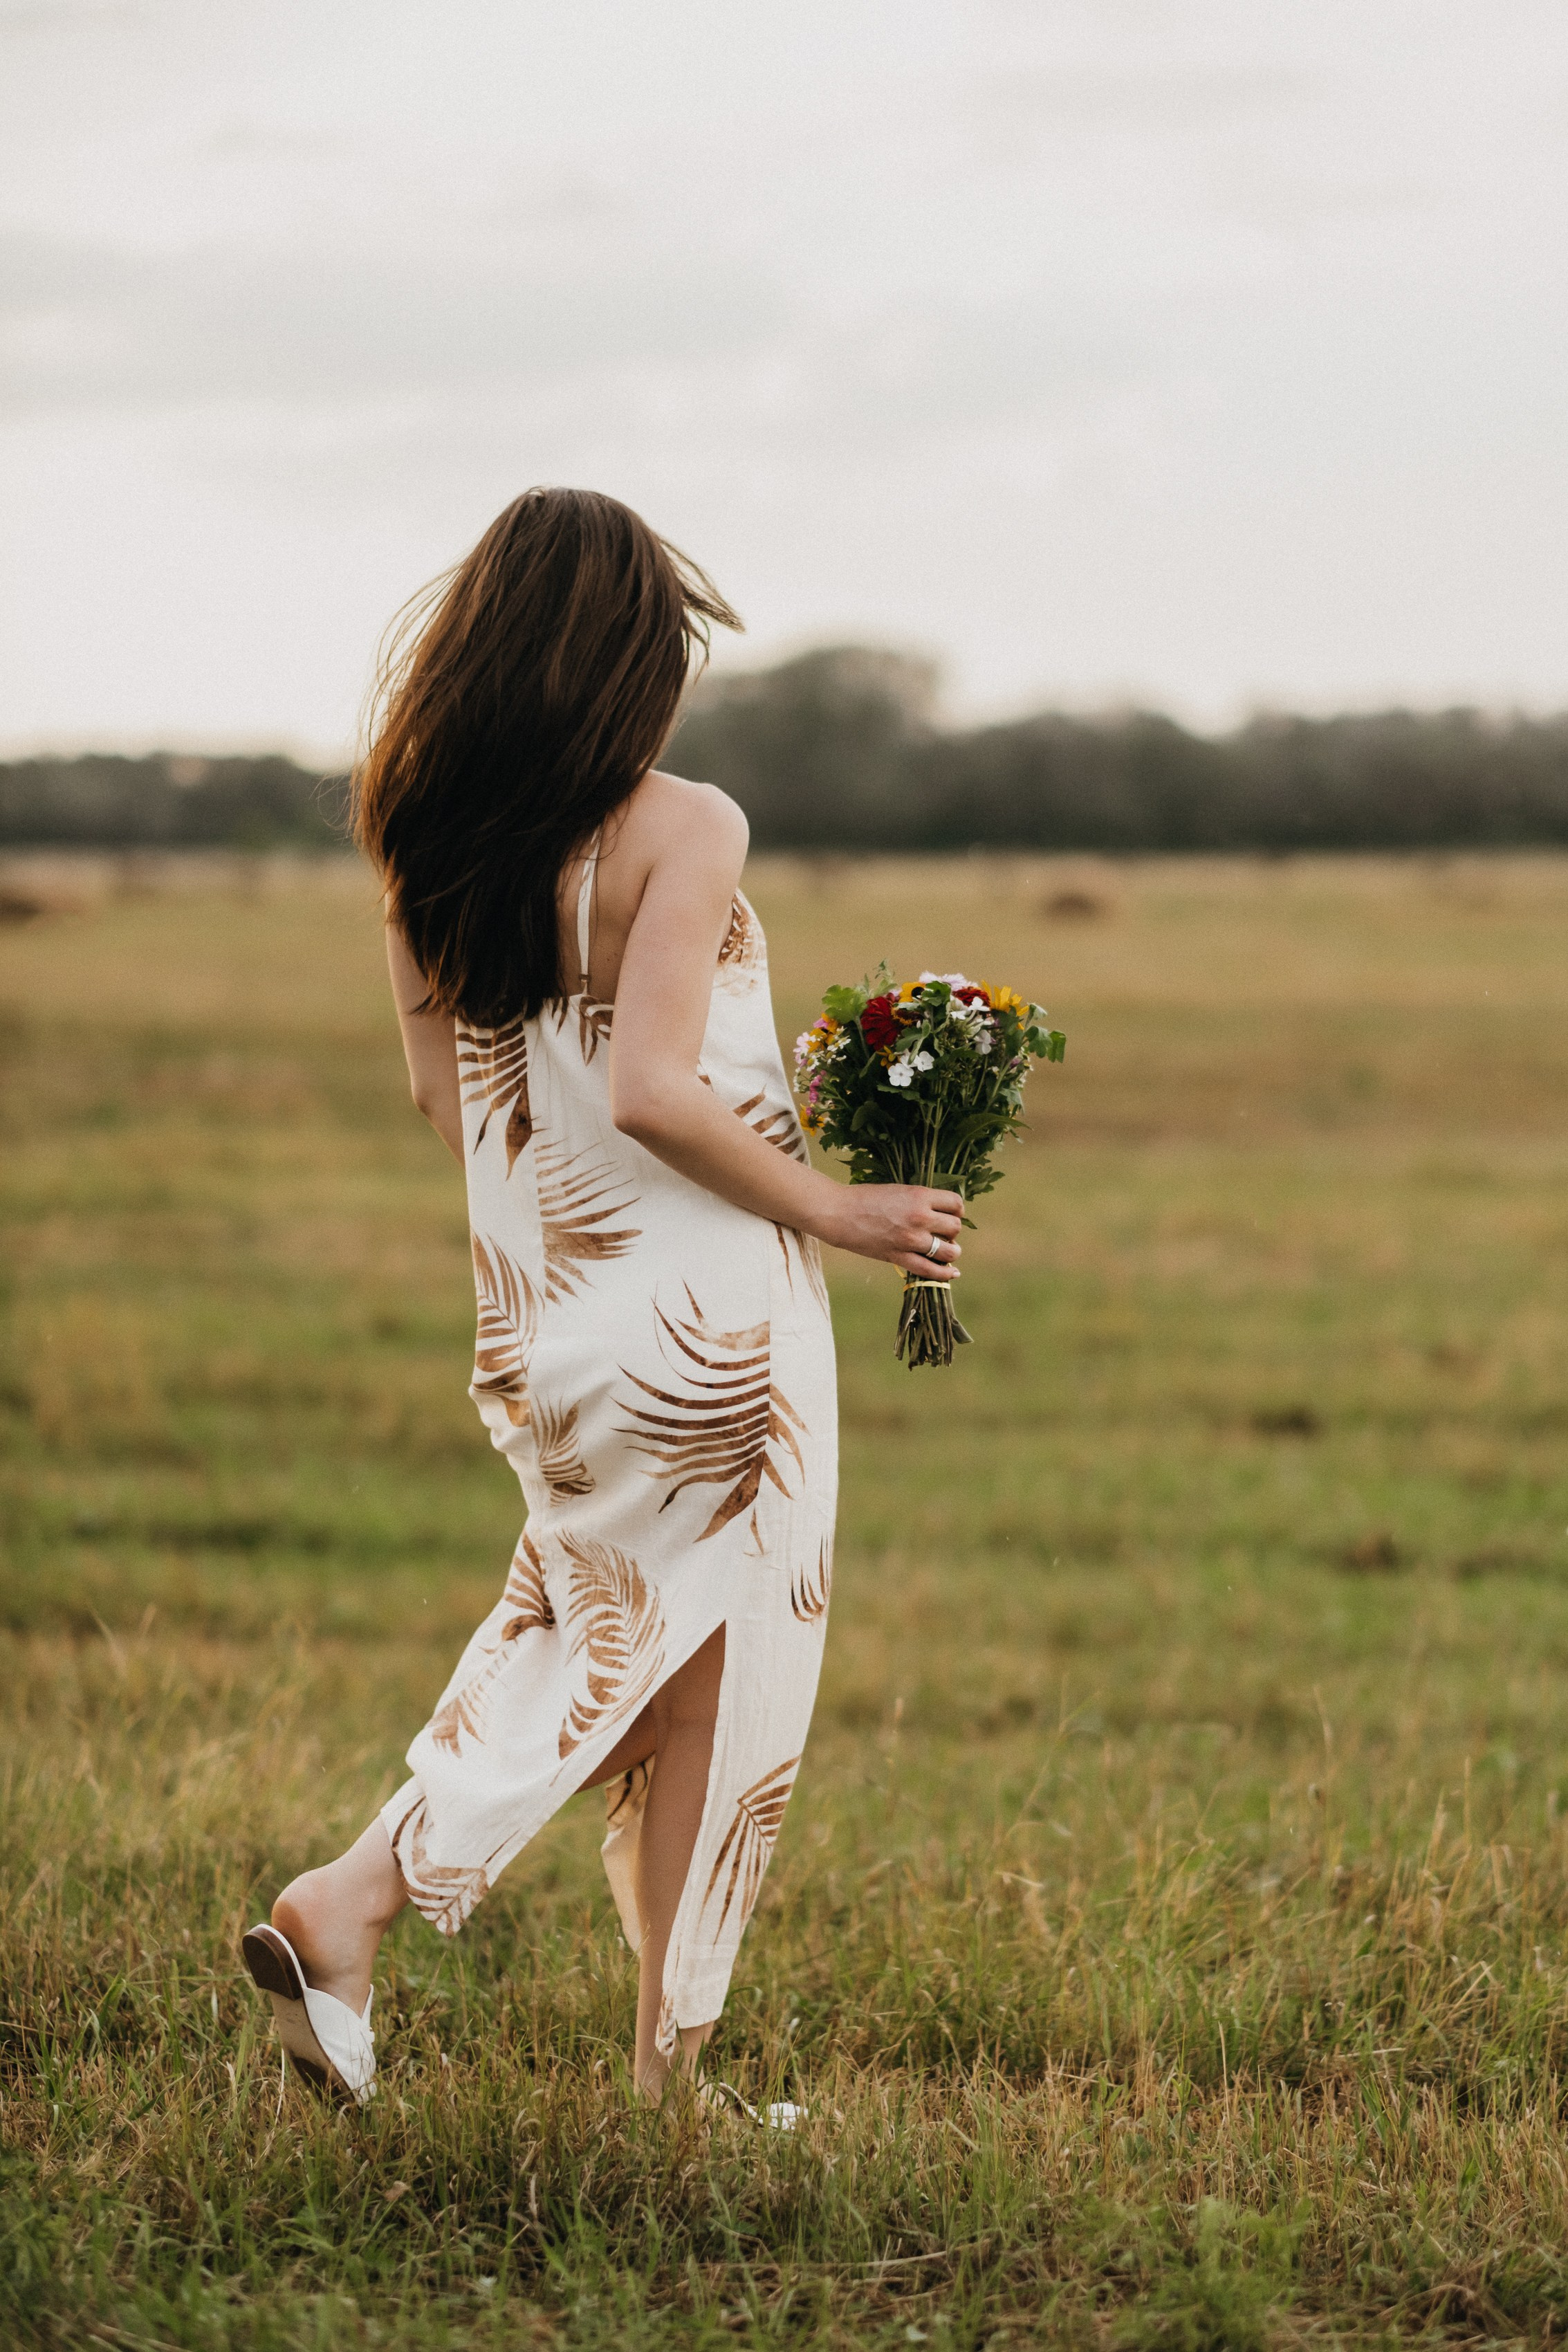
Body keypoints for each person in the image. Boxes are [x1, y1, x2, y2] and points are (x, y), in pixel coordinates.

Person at [240, 488, 963, 2108]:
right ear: (629, 661)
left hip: (545, 1320)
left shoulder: (422, 836)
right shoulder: (686, 825)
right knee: (695, 1664)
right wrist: (839, 1205)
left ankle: (666, 2074)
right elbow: (652, 1086)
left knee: (601, 1640)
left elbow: (449, 1097)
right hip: (713, 1324)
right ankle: (355, 1898)